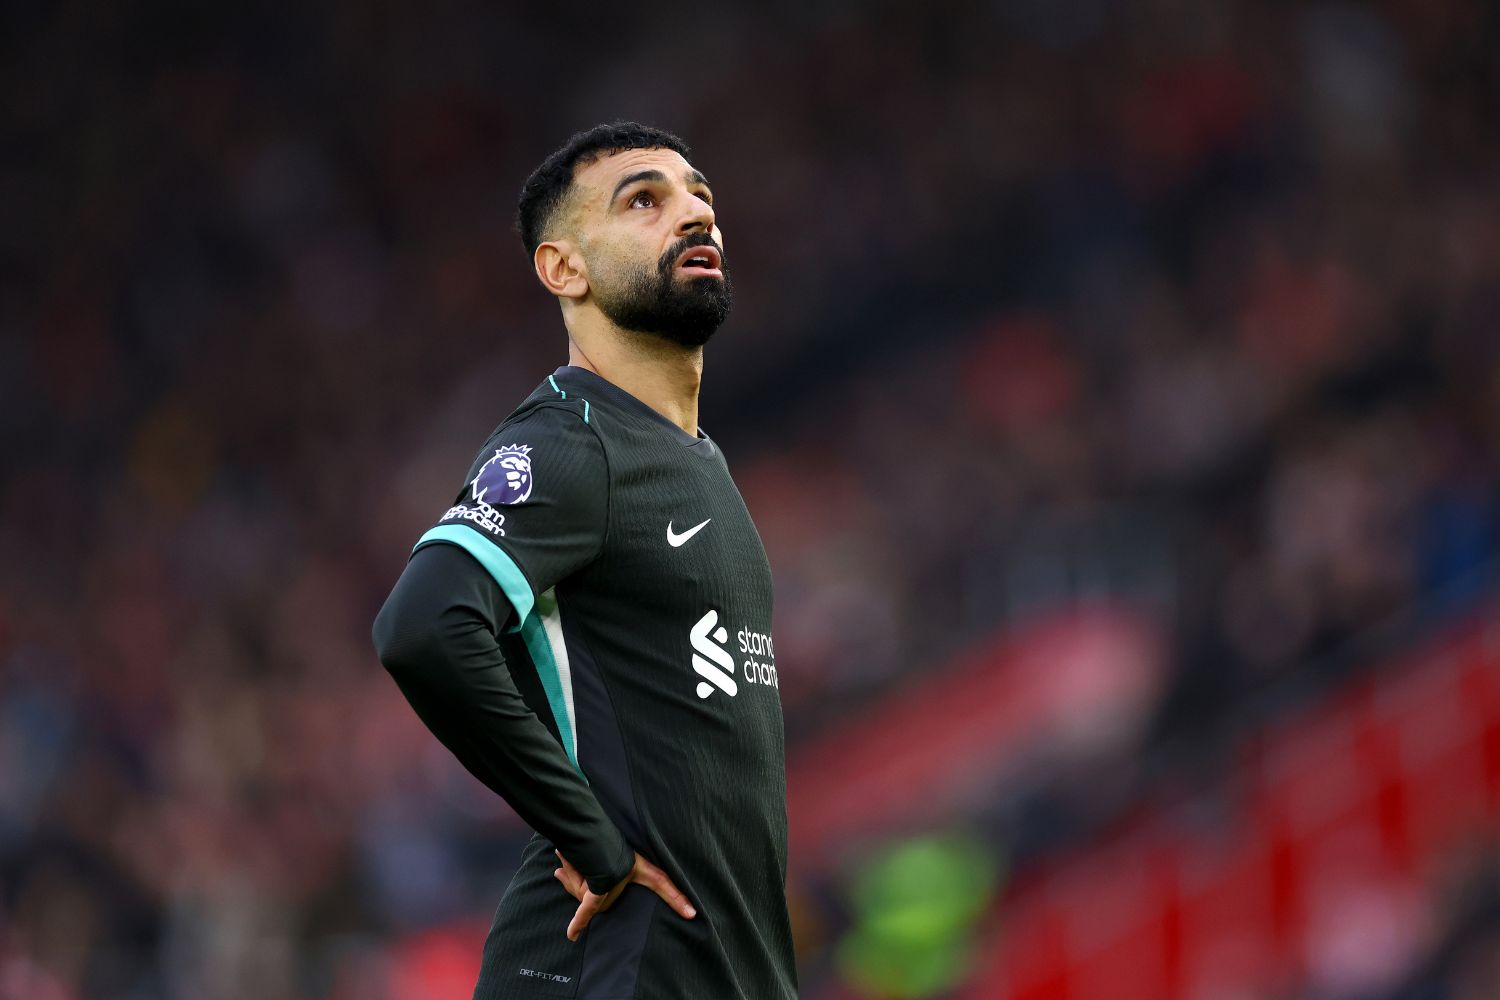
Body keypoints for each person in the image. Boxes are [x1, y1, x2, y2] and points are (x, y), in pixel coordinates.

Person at [372, 122, 797, 1000]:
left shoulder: (693, 461)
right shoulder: (574, 440)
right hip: (607, 965)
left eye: (700, 197)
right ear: (564, 268)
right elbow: (424, 625)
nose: (692, 215)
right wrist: (592, 839)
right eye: (644, 200)